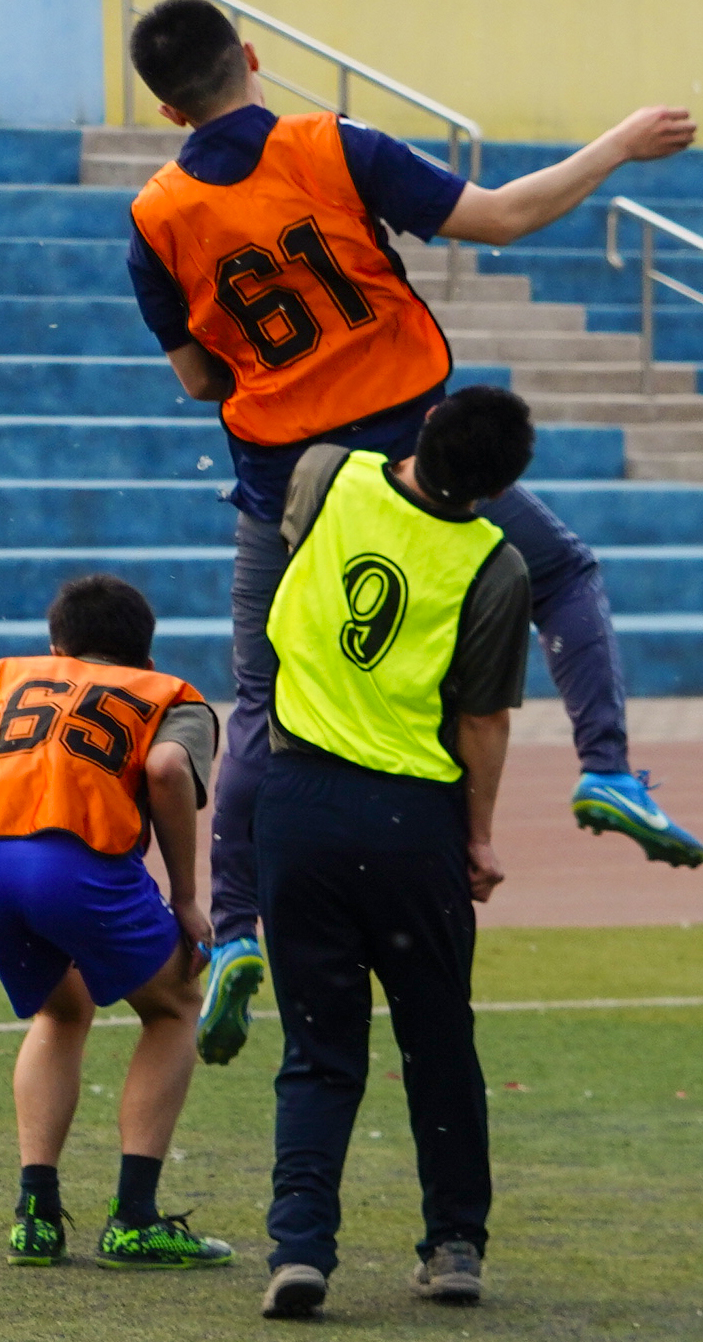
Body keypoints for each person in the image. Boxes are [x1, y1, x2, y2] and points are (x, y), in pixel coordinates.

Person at [120, 0, 703, 1072]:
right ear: (250, 56)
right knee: (560, 574)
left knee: (262, 703)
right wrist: (619, 145)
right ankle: (606, 767)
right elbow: (501, 217)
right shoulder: (329, 145)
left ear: (166, 109)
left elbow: (199, 377)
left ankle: (236, 927)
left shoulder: (154, 218)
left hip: (286, 484)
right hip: (406, 455)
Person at [254, 385, 538, 1319]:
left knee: (318, 1049)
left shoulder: (325, 474)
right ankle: (454, 1244)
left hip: (298, 807)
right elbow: (482, 720)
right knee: (438, 1039)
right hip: (413, 823)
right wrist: (479, 837)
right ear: (500, 488)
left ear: (425, 426)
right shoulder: (494, 565)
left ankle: (300, 1248)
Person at [0, 573, 236, 1272]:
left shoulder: (8, 673)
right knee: (175, 1005)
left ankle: (36, 1218)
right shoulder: (171, 694)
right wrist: (185, 896)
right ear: (145, 654)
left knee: (61, 1010)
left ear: (57, 646)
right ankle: (134, 1221)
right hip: (75, 863)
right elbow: (168, 770)